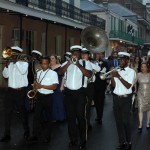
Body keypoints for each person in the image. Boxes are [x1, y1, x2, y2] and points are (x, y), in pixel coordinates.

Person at [59, 45, 92, 149]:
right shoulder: (66, 63)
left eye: (77, 53)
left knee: (81, 117)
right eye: (74, 53)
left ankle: (83, 140)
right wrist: (69, 63)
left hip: (80, 93)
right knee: (70, 118)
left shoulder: (86, 63)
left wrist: (79, 65)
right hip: (69, 94)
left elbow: (89, 75)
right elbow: (60, 72)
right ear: (71, 53)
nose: (75, 55)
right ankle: (73, 139)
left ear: (80, 54)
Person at [0, 46, 30, 142]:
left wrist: (16, 62)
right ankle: (7, 134)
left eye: (13, 54)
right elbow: (5, 75)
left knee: (22, 113)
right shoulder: (10, 64)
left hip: (20, 92)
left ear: (18, 55)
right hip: (10, 91)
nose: (11, 56)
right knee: (7, 113)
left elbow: (22, 71)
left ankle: (26, 131)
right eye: (10, 54)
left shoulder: (24, 64)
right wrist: (7, 66)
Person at [28, 56, 58, 143]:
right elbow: (37, 84)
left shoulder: (53, 73)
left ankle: (47, 136)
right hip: (40, 96)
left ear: (49, 64)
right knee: (36, 116)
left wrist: (42, 86)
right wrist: (35, 87)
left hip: (48, 97)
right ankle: (35, 134)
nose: (43, 65)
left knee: (49, 117)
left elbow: (55, 87)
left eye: (45, 63)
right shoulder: (39, 72)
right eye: (42, 63)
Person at [111, 52, 136, 150]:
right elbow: (113, 85)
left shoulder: (131, 72)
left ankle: (129, 141)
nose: (120, 61)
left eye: (122, 60)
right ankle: (122, 142)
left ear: (127, 61)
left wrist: (119, 76)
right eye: (119, 60)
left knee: (126, 121)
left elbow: (128, 85)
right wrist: (113, 76)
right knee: (118, 121)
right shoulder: (116, 70)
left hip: (126, 99)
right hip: (116, 98)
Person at [81, 47, 100, 131]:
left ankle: (87, 123)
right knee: (80, 105)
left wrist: (92, 68)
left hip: (89, 86)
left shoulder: (91, 63)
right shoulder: (79, 63)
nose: (84, 56)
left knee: (88, 106)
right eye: (83, 54)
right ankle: (81, 123)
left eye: (86, 54)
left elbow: (98, 69)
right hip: (80, 86)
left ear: (88, 55)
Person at [50, 54, 66, 122]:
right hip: (50, 85)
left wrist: (62, 86)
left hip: (58, 85)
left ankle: (60, 117)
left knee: (58, 101)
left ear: (56, 59)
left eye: (53, 58)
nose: (51, 60)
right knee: (51, 102)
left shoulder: (60, 66)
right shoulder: (48, 66)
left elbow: (63, 77)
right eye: (50, 58)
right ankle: (53, 117)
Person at [94, 52, 108, 125]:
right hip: (93, 85)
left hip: (101, 85)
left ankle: (100, 117)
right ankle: (97, 114)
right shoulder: (91, 62)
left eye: (99, 54)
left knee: (101, 102)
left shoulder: (104, 63)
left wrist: (96, 72)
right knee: (96, 102)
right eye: (96, 54)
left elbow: (105, 73)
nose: (97, 55)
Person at [135, 62, 150, 133]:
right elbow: (135, 82)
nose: (143, 68)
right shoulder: (138, 74)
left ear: (147, 68)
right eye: (142, 67)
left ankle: (147, 123)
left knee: (148, 109)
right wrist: (135, 89)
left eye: (144, 67)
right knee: (140, 109)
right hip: (140, 94)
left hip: (149, 94)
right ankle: (140, 124)